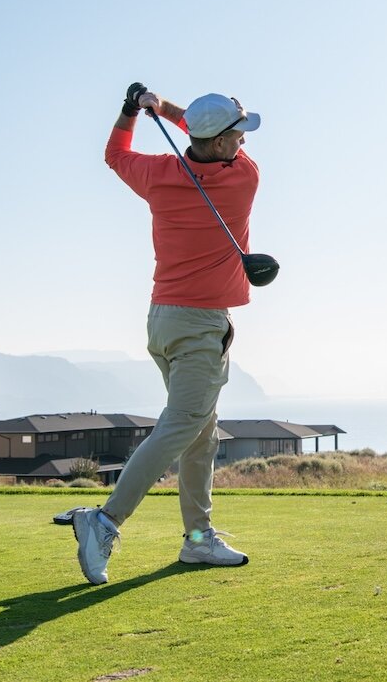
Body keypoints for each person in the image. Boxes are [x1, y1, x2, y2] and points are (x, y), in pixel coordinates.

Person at [71, 83, 263, 584]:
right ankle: (105, 520)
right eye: (237, 135)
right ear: (221, 144)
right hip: (200, 326)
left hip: (162, 320)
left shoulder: (157, 174)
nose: (243, 143)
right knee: (181, 426)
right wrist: (167, 108)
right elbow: (195, 132)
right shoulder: (243, 177)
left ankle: (198, 541)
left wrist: (132, 111)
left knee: (201, 436)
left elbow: (115, 154)